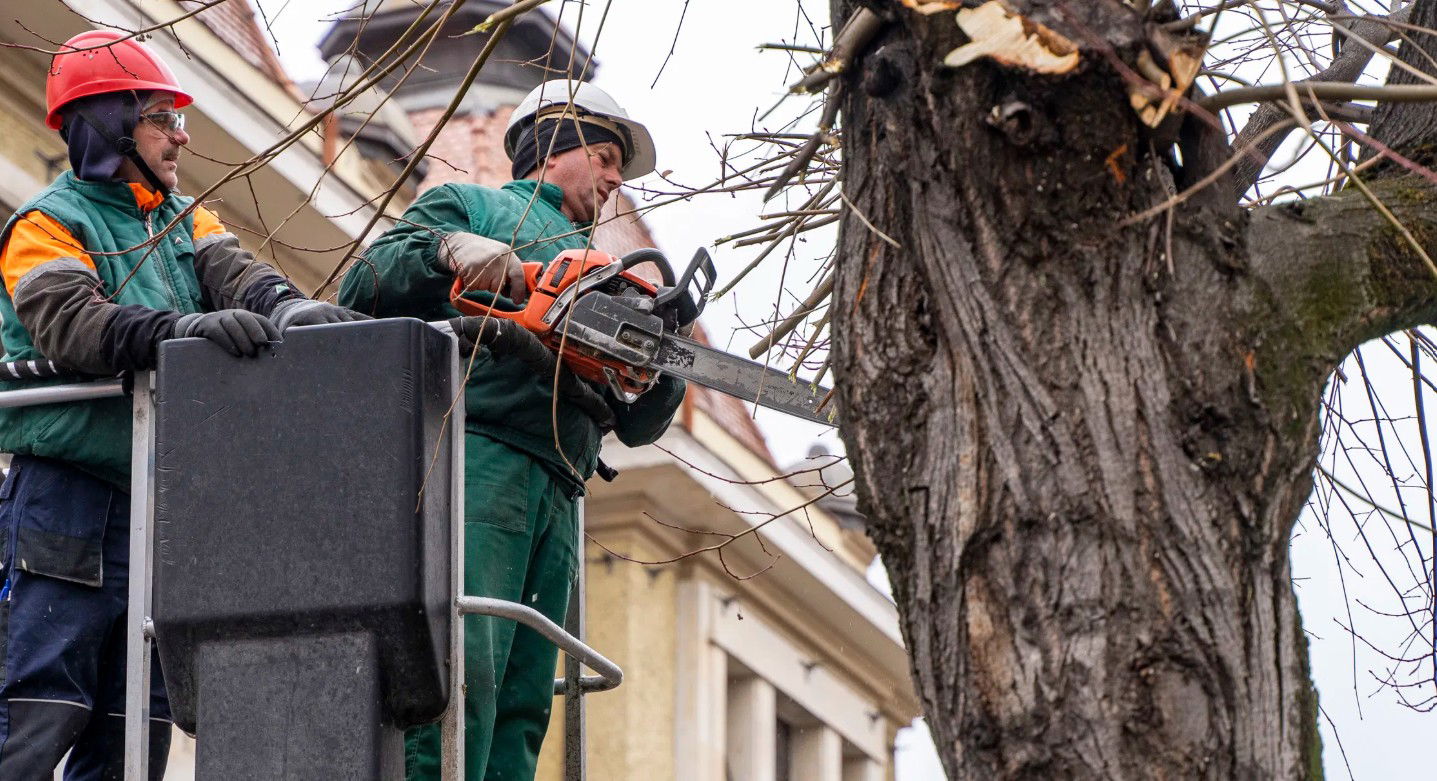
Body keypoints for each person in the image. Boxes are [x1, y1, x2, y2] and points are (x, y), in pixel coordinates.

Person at [0, 30, 366, 779]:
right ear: (108, 123)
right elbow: (72, 322)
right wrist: (184, 330)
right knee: (39, 716)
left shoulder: (179, 217)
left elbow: (239, 276)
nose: (180, 135)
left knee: (137, 730)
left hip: (162, 512)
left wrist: (292, 313)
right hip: (64, 501)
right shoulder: (46, 224)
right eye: (163, 117)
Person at [339, 79, 686, 781]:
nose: (617, 179)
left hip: (559, 487)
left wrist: (659, 366)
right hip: (477, 454)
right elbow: (364, 284)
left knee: (526, 697)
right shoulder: (475, 206)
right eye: (607, 155)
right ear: (553, 145)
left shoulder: (614, 277)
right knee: (464, 666)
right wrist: (446, 248)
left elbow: (640, 422)